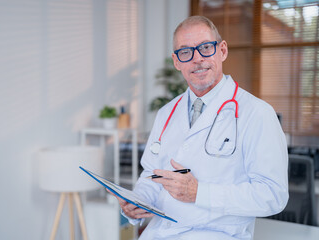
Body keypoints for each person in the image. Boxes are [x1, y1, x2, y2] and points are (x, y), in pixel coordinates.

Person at [111, 16, 288, 240]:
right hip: (160, 233)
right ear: (177, 61)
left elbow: (273, 196)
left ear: (222, 50)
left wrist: (200, 193)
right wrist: (136, 203)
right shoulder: (166, 113)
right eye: (186, 52)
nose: (197, 59)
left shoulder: (257, 113)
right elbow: (152, 174)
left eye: (206, 47)